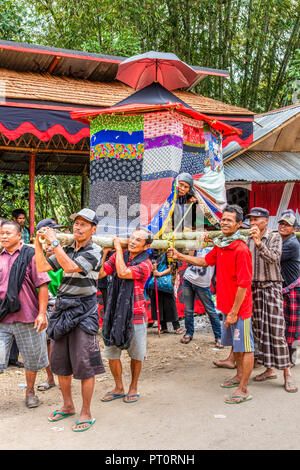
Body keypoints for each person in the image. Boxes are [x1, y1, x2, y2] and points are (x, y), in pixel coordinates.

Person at [168, 204, 254, 404]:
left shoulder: (241, 249)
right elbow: (205, 261)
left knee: (246, 347)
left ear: (239, 224)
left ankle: (244, 389)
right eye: (223, 219)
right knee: (237, 346)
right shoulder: (222, 245)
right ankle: (239, 376)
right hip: (227, 306)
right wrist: (180, 256)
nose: (224, 223)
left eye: (229, 220)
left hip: (240, 309)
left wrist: (234, 312)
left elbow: (243, 285)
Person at [35, 208, 105, 432]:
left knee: (85, 365)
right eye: (76, 223)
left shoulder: (96, 250)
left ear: (93, 229)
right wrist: (38, 243)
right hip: (63, 308)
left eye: (84, 224)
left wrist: (53, 242)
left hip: (85, 311)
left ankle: (86, 411)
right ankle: (67, 405)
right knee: (60, 363)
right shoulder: (66, 248)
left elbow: (70, 267)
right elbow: (43, 266)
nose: (77, 227)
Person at [99, 228, 153, 404]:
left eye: (138, 240)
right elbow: (100, 274)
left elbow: (122, 273)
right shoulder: (117, 256)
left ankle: (133, 387)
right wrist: (107, 252)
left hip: (135, 314)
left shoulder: (146, 264)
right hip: (114, 312)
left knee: (136, 354)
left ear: (146, 246)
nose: (132, 241)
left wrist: (118, 248)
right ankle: (118, 387)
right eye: (132, 238)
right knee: (111, 353)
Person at [247, 207, 297, 393]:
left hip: (272, 287)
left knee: (276, 330)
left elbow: (275, 259)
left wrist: (259, 243)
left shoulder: (274, 237)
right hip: (255, 288)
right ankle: (269, 369)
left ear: (266, 221)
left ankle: (287, 374)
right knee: (260, 330)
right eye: (251, 219)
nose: (252, 223)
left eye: (256, 219)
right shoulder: (247, 239)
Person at [0, 219, 50, 407]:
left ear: (19, 236)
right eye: (1, 233)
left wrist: (42, 313)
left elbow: (42, 285)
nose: (4, 236)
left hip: (27, 316)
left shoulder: (31, 255)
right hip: (3, 317)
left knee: (31, 358)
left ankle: (30, 392)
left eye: (8, 233)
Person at [35, 218, 64, 392]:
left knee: (60, 342)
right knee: (46, 342)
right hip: (42, 305)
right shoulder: (35, 254)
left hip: (63, 303)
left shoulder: (63, 253)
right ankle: (51, 377)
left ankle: (63, 377)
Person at [181, 245, 222, 347]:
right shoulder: (198, 244)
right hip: (189, 279)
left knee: (211, 310)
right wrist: (192, 247)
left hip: (203, 284)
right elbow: (189, 262)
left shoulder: (218, 246)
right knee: (188, 310)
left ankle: (219, 337)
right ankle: (189, 333)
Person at [278, 210, 300, 366]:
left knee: (292, 326)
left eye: (287, 225)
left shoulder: (291, 244)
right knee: (286, 325)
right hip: (285, 287)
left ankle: (291, 358)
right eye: (281, 223)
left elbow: (272, 257)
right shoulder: (282, 240)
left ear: (294, 229)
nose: (283, 226)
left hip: (293, 289)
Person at [149, 252, 183, 334]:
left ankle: (176, 327)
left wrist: (160, 273)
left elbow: (172, 268)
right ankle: (163, 327)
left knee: (170, 304)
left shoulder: (170, 255)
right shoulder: (154, 254)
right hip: (156, 284)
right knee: (158, 305)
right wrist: (153, 268)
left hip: (166, 283)